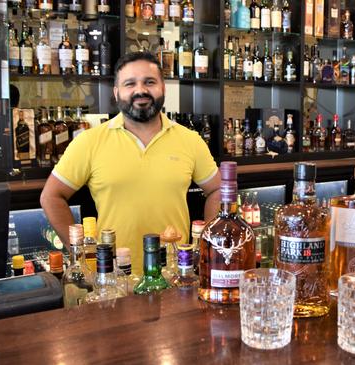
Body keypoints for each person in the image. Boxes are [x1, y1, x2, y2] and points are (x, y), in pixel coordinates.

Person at [40, 52, 220, 274]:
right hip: (115, 277)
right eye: (130, 83)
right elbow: (51, 196)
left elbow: (218, 190)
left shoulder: (190, 140)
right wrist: (81, 257)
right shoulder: (90, 141)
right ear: (117, 93)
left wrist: (210, 246)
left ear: (163, 88)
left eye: (150, 82)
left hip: (175, 274)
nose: (140, 90)